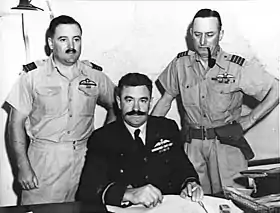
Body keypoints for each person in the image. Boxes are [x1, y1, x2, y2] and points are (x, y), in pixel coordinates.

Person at [151, 8, 279, 195]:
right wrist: (147, 136)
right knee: (194, 200)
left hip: (225, 145)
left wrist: (249, 119)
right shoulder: (180, 64)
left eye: (210, 35)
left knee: (232, 200)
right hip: (191, 146)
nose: (203, 42)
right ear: (190, 34)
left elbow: (276, 89)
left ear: (221, 34)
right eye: (197, 35)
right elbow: (165, 100)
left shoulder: (236, 67)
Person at [6, 15, 116, 205]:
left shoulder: (95, 76)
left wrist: (103, 141)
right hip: (45, 161)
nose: (71, 45)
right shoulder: (32, 77)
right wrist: (23, 166)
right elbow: (15, 124)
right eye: (63, 39)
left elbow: (117, 105)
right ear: (51, 43)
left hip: (86, 160)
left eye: (76, 39)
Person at [76, 73, 203, 208]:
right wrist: (128, 194)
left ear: (150, 102)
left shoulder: (167, 128)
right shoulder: (102, 138)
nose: (136, 108)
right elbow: (87, 190)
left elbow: (183, 167)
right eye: (129, 100)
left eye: (143, 101)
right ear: (119, 102)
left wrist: (190, 183)